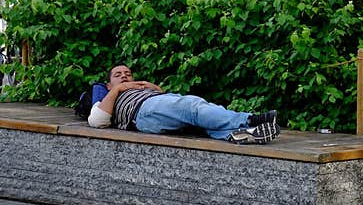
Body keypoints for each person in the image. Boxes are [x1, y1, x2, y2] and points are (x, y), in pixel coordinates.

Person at [87, 64, 279, 144]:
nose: (124, 76)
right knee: (193, 108)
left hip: (155, 106)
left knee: (199, 113)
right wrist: (117, 90)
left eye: (127, 74)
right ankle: (250, 119)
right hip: (142, 111)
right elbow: (97, 121)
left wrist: (156, 88)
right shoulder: (107, 96)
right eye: (118, 75)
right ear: (108, 83)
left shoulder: (141, 87)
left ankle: (235, 134)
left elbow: (165, 102)